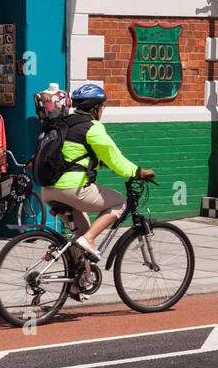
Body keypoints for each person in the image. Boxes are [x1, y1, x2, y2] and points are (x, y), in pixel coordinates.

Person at [40, 84, 155, 271]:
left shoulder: (63, 123)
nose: (102, 111)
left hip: (48, 190)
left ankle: (76, 284)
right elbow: (115, 158)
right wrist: (138, 172)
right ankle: (90, 239)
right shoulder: (92, 127)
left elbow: (75, 154)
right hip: (72, 190)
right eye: (102, 107)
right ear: (95, 109)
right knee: (119, 203)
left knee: (79, 235)